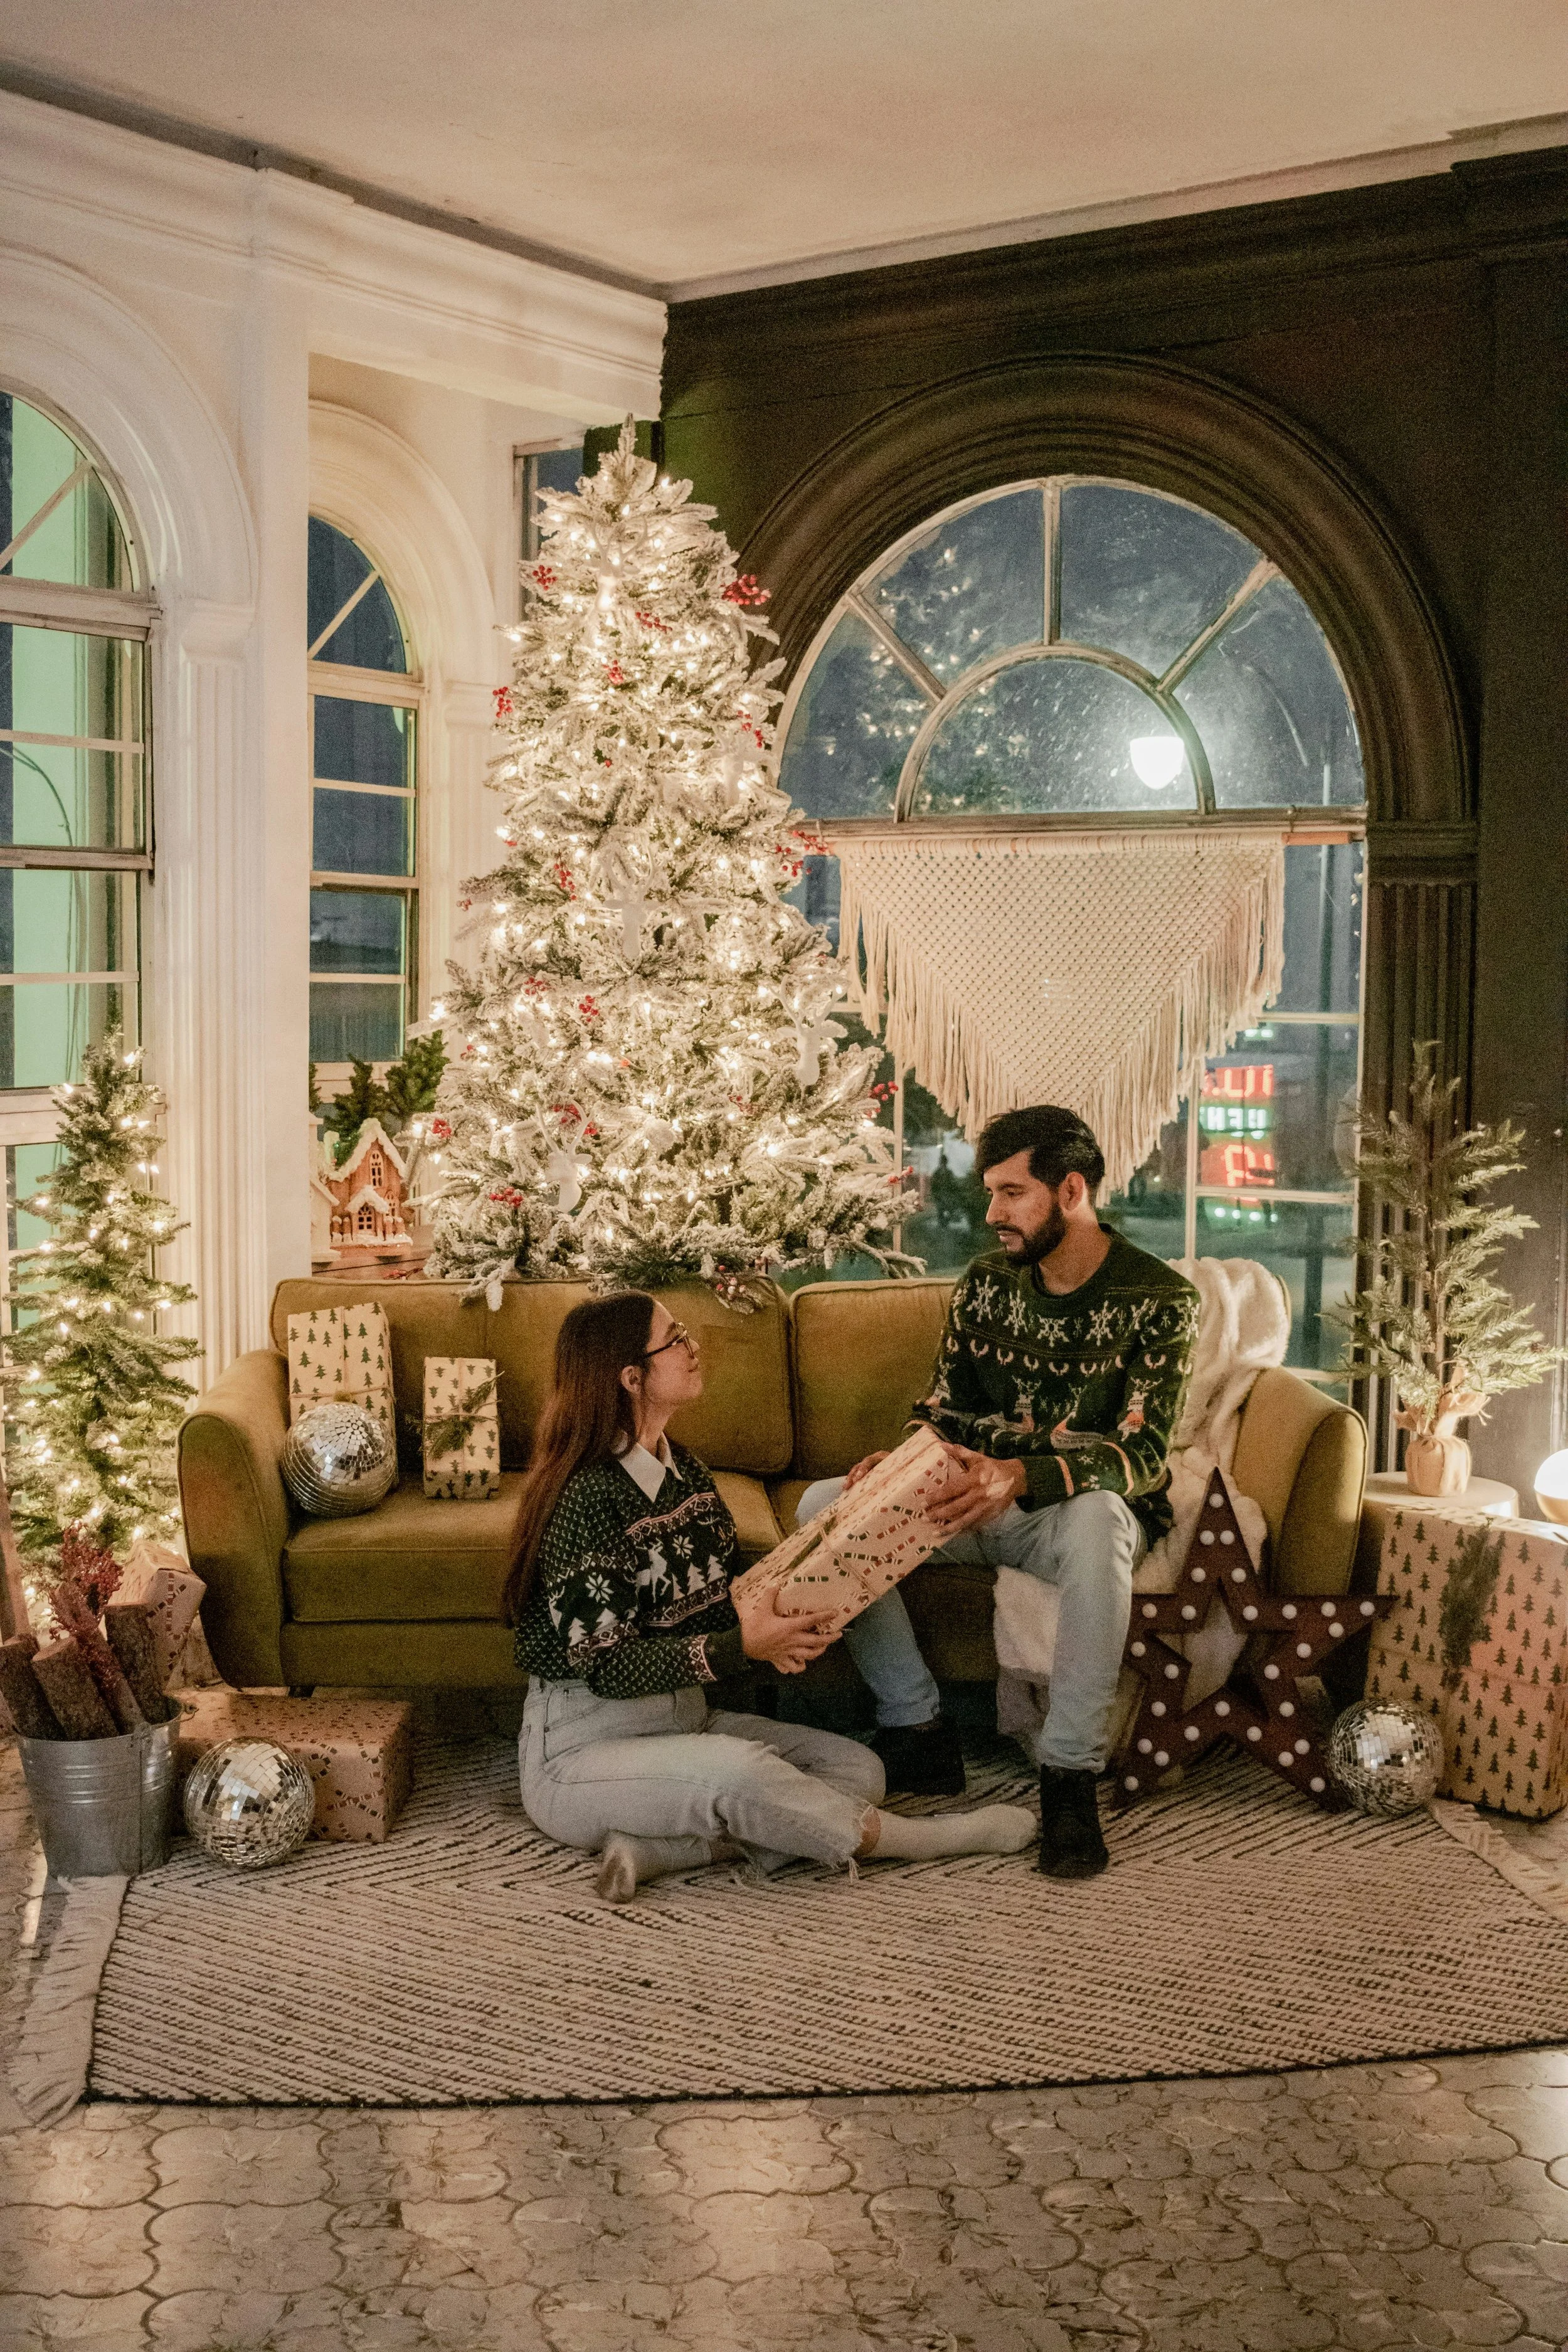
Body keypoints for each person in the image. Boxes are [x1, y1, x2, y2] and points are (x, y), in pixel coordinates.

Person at [509, 1290, 1035, 1903]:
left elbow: (711, 1608)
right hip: (581, 1749)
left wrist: (783, 1620)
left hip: (684, 1716)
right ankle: (926, 1840)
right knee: (744, 1776)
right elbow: (603, 1666)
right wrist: (742, 1646)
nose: (692, 1345)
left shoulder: (690, 1476)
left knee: (857, 1771)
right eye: (675, 1338)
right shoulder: (585, 1501)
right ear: (632, 1378)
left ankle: (663, 1850)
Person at [800, 1104, 1199, 1882]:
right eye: (991, 1192)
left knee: (1098, 1521)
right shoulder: (987, 1284)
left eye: (1012, 1193)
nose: (991, 1214)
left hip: (1066, 1516)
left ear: (1071, 1190)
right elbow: (943, 1409)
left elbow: (1145, 1454)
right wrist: (907, 1462)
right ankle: (916, 1727)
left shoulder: (1161, 1300)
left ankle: (1068, 1776)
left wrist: (1024, 1476)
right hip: (970, 1501)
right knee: (824, 1511)